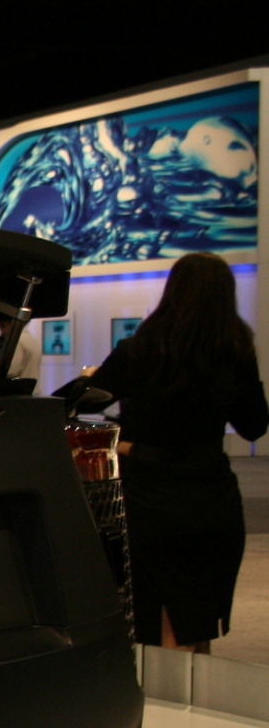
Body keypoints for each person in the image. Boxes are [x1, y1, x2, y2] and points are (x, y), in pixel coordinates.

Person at [82, 252, 269, 652]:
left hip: (147, 497)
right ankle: (193, 698)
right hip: (210, 494)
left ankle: (166, 700)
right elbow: (254, 425)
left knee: (154, 609)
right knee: (199, 613)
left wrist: (95, 381)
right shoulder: (235, 354)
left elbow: (83, 403)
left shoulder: (138, 350)